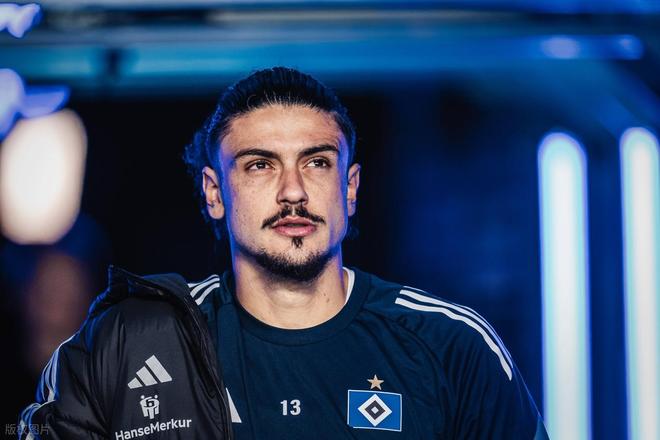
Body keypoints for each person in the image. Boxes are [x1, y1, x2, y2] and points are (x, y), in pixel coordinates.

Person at [19, 67, 548, 439]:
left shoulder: (450, 346)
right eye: (260, 165)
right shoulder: (129, 344)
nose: (293, 191)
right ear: (214, 193)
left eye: (317, 163)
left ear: (350, 188)